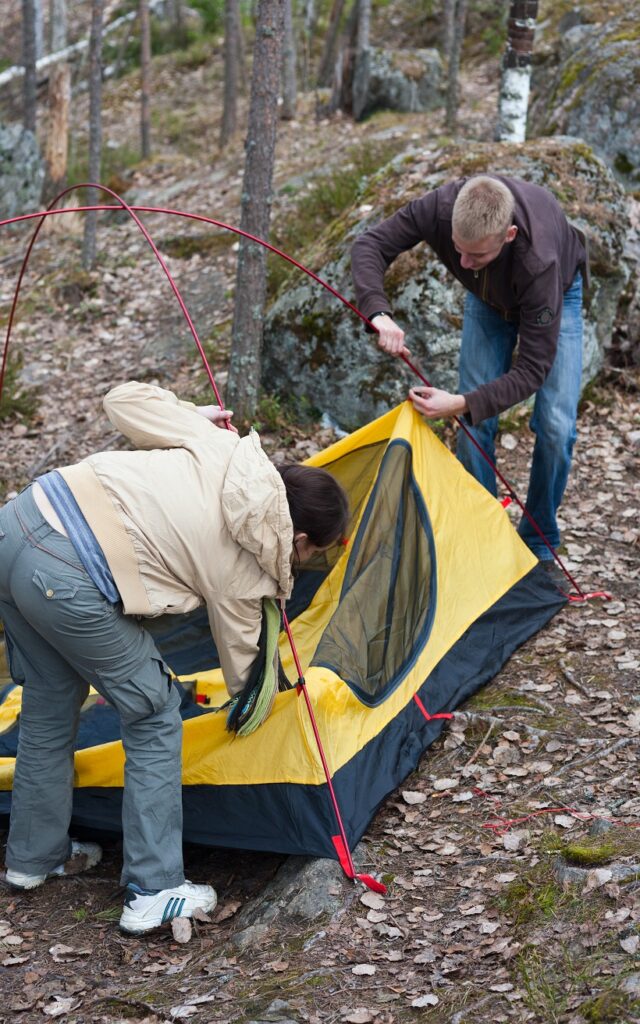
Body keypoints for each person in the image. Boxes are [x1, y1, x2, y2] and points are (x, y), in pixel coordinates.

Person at [0, 380, 349, 934]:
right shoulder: (247, 564)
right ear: (300, 537)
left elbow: (119, 400)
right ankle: (154, 890)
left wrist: (191, 414)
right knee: (155, 713)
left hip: (18, 523)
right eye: (314, 555)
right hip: (66, 576)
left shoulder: (225, 449)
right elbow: (248, 676)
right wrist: (280, 708)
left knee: (48, 699)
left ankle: (32, 859)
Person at [351, 174, 588, 563]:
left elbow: (532, 369)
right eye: (458, 251)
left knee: (556, 426)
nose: (462, 263)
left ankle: (539, 536)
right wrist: (379, 313)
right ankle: (483, 531)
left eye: (475, 256)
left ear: (508, 234)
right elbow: (370, 245)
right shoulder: (439, 209)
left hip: (556, 293)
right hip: (487, 299)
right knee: (475, 425)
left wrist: (460, 401)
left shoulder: (539, 260)